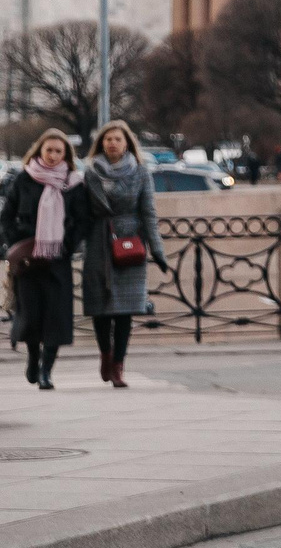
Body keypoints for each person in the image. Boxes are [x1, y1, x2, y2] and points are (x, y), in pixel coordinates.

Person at [4, 131, 91, 390]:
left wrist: (66, 246)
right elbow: (6, 215)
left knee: (56, 315)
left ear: (66, 155)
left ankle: (46, 371)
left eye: (58, 151)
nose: (52, 156)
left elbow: (83, 220)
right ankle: (33, 358)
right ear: (39, 150)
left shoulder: (73, 183)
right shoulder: (24, 178)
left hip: (57, 260)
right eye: (48, 150)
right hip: (29, 260)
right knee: (30, 314)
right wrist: (15, 242)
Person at [82, 120, 166, 388]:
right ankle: (105, 353)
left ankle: (118, 365)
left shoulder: (141, 173)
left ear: (127, 143)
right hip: (98, 241)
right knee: (100, 308)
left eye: (117, 139)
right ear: (101, 143)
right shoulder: (90, 173)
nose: (112, 143)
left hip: (130, 244)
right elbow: (79, 212)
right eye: (108, 139)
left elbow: (149, 213)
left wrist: (158, 250)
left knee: (124, 312)